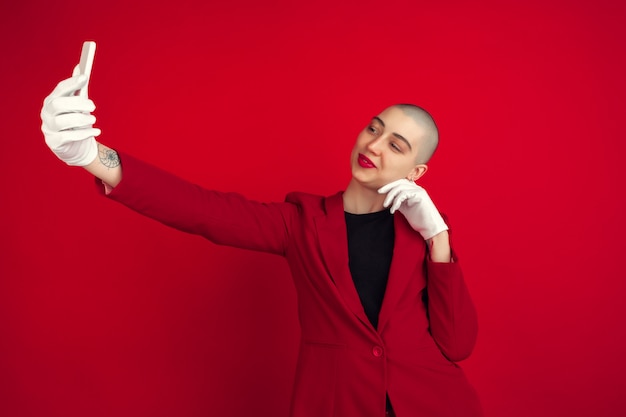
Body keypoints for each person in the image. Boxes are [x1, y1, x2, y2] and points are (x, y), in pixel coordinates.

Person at [41, 64, 483, 417]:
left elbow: (457, 344)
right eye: (374, 128)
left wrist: (437, 237)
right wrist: (91, 156)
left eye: (397, 144)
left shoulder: (424, 231)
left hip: (435, 404)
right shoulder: (303, 223)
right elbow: (202, 209)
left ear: (416, 173)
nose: (375, 144)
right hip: (337, 405)